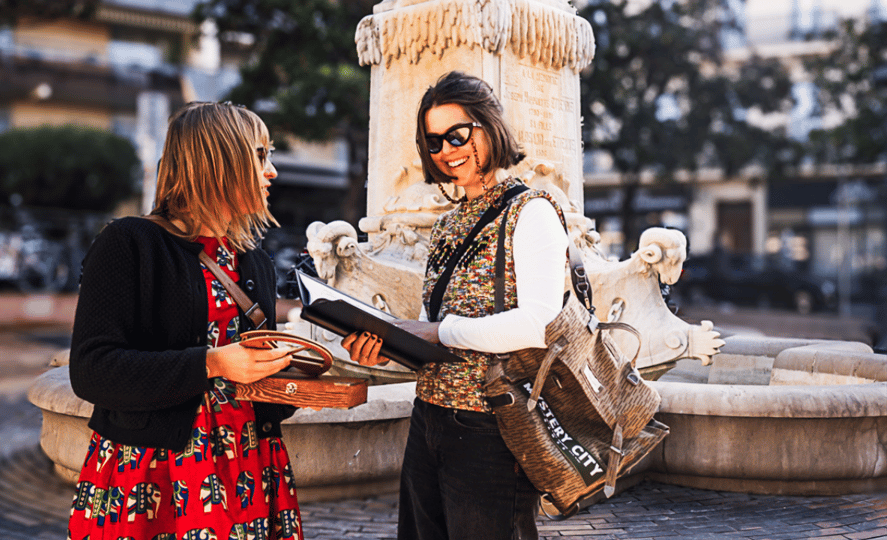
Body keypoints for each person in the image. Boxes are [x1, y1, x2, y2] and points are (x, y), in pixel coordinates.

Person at [343, 71, 570, 540]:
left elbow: (540, 323)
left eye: (457, 135)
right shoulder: (447, 226)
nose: (446, 150)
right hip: (430, 417)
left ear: (489, 127)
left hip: (493, 427)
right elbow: (435, 332)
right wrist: (390, 345)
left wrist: (437, 331)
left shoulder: (532, 211)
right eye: (434, 141)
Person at [68, 101, 305, 540]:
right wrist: (212, 364)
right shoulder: (128, 244)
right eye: (259, 155)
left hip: (247, 466)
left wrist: (301, 373)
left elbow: (263, 395)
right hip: (152, 476)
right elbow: (91, 370)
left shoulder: (254, 262)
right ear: (217, 159)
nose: (271, 171)